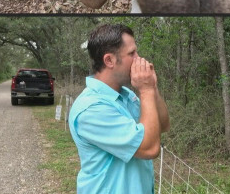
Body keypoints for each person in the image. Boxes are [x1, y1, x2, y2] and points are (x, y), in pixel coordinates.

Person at [69, 24, 170, 193]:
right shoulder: (91, 108)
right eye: (132, 53)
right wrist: (145, 91)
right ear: (109, 60)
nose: (139, 59)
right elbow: (150, 148)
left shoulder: (125, 95)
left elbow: (163, 125)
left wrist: (152, 88)